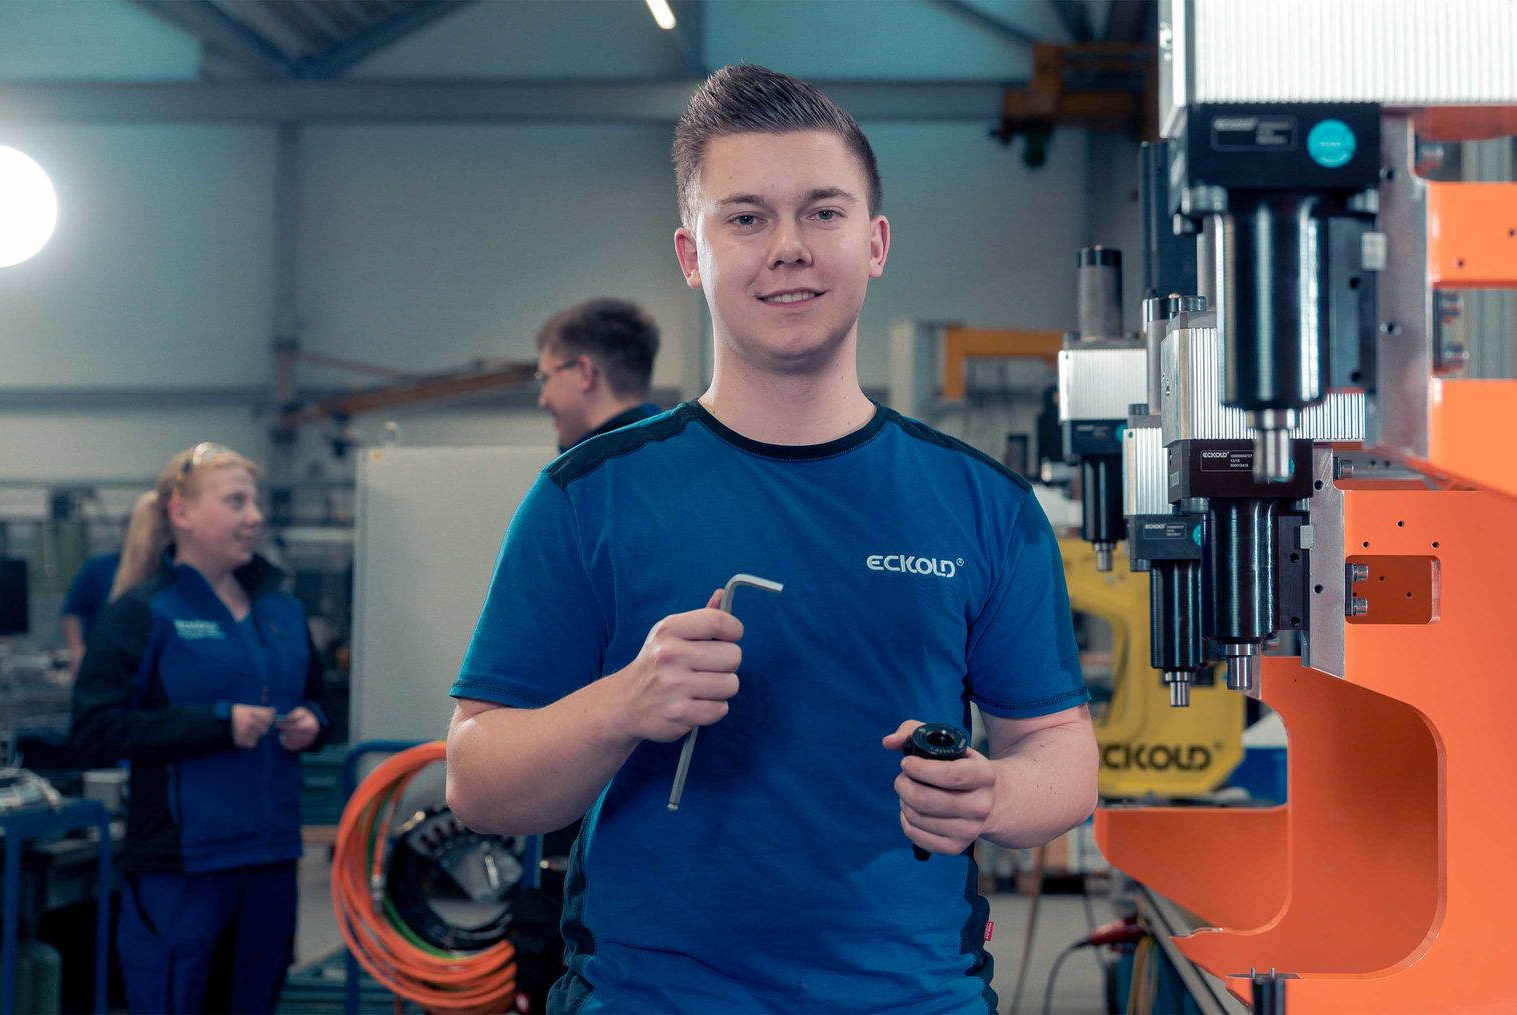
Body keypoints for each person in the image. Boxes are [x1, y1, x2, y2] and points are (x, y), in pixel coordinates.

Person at [446, 65, 1098, 1012]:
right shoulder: (588, 498)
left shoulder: (982, 504)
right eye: (746, 218)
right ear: (691, 253)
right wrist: (623, 703)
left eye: (823, 212)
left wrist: (994, 793)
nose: (789, 248)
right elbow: (476, 782)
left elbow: (1062, 753)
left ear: (875, 242)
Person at [69, 442, 336, 1015]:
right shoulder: (143, 613)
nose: (254, 517)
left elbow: (322, 698)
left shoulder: (283, 612)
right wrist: (215, 724)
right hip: (182, 866)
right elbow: (95, 728)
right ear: (181, 513)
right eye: (236, 502)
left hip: (270, 858)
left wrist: (314, 722)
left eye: (256, 503)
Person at [534, 298, 664, 450]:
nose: (542, 401)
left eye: (546, 378)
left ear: (585, 373)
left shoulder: (590, 463)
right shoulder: (680, 446)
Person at [59, 551, 120, 681]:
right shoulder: (99, 568)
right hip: (100, 661)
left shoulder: (159, 570)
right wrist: (77, 651)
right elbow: (72, 612)